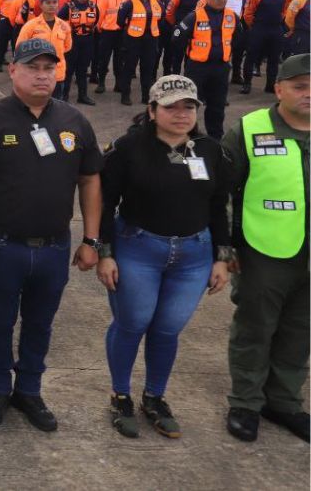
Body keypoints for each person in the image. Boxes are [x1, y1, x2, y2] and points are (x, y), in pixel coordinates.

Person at [0, 38, 102, 432]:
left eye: (48, 68)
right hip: (1, 246)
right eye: (33, 67)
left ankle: (30, 390)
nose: (41, 75)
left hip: (54, 247)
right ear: (13, 71)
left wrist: (91, 241)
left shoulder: (74, 121)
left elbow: (89, 181)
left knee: (41, 322)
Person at [97, 75, 233, 438]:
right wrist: (104, 252)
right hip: (139, 248)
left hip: (193, 257)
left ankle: (155, 397)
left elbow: (219, 206)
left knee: (168, 328)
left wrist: (222, 255)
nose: (181, 114)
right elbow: (105, 202)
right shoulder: (127, 148)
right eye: (171, 107)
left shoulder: (210, 150)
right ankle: (120, 394)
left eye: (189, 107)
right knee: (132, 322)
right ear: (152, 110)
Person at [223, 53, 309, 443]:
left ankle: (284, 402)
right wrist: (226, 249)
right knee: (255, 329)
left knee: (300, 330)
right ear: (278, 89)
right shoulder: (250, 129)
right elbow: (221, 193)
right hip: (263, 250)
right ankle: (246, 402)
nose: (308, 95)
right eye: (299, 86)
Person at [172, 0, 236, 139]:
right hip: (198, 68)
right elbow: (177, 38)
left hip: (221, 67)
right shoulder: (194, 16)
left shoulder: (232, 16)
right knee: (191, 104)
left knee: (217, 105)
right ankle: (188, 136)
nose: (221, 1)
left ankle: (215, 138)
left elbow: (238, 37)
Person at [242, 0, 292, 94]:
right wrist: (253, 27)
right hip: (259, 28)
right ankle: (247, 83)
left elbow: (285, 9)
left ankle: (270, 84)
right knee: (251, 56)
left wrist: (279, 20)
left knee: (274, 58)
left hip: (275, 29)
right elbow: (248, 14)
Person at [116, 0, 162, 106]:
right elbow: (120, 21)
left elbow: (161, 17)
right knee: (129, 68)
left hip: (151, 39)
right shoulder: (129, 3)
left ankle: (145, 96)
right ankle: (125, 95)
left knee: (147, 68)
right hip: (133, 39)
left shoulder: (156, 1)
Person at [17, 0, 73, 100]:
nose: (52, 5)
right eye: (48, 2)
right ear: (41, 5)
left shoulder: (64, 26)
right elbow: (20, 47)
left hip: (57, 73)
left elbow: (67, 47)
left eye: (54, 2)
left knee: (55, 105)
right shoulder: (31, 25)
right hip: (37, 74)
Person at [57, 0, 99, 105]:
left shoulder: (93, 6)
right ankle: (64, 96)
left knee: (83, 69)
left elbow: (96, 20)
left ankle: (83, 96)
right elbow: (58, 21)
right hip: (72, 41)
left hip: (87, 41)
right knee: (69, 70)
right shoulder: (69, 6)